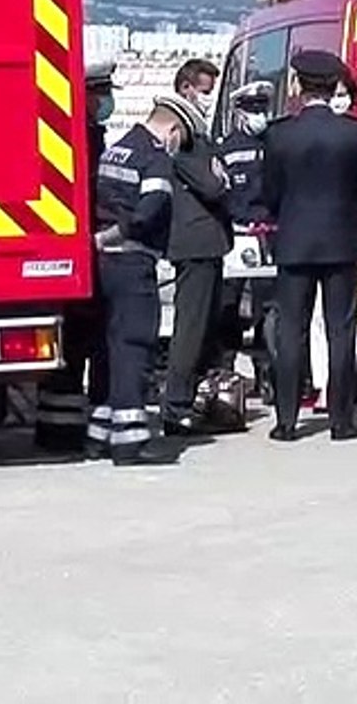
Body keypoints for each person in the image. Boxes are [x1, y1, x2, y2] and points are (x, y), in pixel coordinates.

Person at [261, 49, 357, 442]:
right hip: (342, 241)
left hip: (294, 242)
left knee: (290, 330)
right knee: (340, 330)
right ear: (334, 87)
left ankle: (286, 420)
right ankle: (341, 420)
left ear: (298, 86)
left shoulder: (279, 134)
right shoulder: (356, 132)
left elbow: (270, 192)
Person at [88, 91, 199, 466]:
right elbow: (147, 212)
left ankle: (99, 434)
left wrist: (98, 241)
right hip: (132, 263)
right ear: (173, 131)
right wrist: (111, 236)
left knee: (108, 347)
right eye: (181, 140)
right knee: (135, 347)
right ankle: (130, 441)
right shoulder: (155, 158)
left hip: (104, 265)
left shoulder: (118, 149)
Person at [34, 57, 117, 453]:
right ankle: (62, 431)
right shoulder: (79, 136)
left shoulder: (84, 132)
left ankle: (59, 429)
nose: (106, 102)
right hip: (81, 251)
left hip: (78, 249)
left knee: (74, 346)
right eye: (101, 94)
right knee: (78, 344)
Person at [159, 61, 233, 435]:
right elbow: (213, 185)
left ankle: (192, 400)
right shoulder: (184, 137)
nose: (208, 99)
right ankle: (176, 405)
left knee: (204, 326)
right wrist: (219, 176)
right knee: (191, 326)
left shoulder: (199, 134)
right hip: (195, 243)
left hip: (207, 242)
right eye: (205, 91)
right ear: (186, 88)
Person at [218, 81, 278, 401]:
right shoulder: (226, 148)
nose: (259, 115)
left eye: (262, 109)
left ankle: (268, 373)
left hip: (271, 235)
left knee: (269, 308)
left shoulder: (275, 143)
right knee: (228, 307)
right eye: (252, 109)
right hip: (238, 235)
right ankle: (225, 372)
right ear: (239, 112)